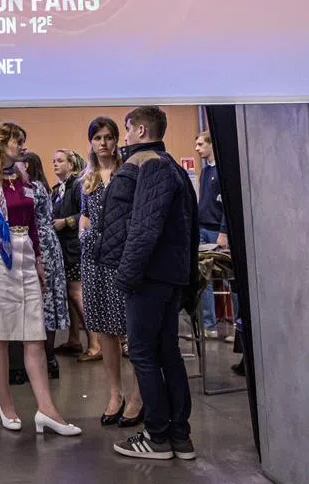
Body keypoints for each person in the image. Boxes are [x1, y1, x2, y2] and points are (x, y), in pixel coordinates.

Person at [0, 122, 81, 436]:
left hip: (25, 254)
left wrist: (40, 261)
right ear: (3, 144)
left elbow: (32, 223)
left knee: (34, 332)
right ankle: (6, 404)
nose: (23, 147)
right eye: (19, 142)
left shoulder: (23, 179)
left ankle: (47, 409)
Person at [105, 106, 198, 461]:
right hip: (164, 275)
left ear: (141, 130)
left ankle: (159, 435)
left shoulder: (152, 165)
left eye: (127, 129)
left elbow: (145, 227)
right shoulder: (168, 165)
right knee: (164, 352)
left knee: (144, 353)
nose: (124, 136)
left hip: (150, 276)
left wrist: (126, 276)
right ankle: (177, 435)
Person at [79, 116, 143, 427]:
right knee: (104, 328)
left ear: (117, 139)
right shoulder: (86, 178)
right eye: (97, 138)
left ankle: (138, 395)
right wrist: (84, 234)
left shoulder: (129, 171)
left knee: (133, 327)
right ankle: (115, 393)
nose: (103, 142)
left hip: (124, 256)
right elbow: (84, 216)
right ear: (90, 142)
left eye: (108, 136)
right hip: (93, 258)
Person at [20, 152, 69, 380]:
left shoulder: (32, 188)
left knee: (44, 304)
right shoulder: (43, 186)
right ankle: (48, 360)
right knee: (47, 303)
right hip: (48, 243)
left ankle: (47, 359)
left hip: (40, 247)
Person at [50, 149, 87, 356]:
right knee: (70, 294)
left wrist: (66, 222)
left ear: (71, 164)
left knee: (76, 293)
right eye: (53, 161)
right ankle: (74, 339)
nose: (55, 164)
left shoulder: (78, 185)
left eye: (60, 161)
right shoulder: (58, 189)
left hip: (75, 247)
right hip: (64, 248)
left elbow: (86, 212)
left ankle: (95, 342)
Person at [194, 131, 227, 339]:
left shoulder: (223, 171)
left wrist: (223, 232)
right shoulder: (205, 172)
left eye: (200, 144)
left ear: (211, 145)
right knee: (202, 278)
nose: (197, 148)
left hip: (217, 231)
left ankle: (240, 333)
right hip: (202, 229)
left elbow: (227, 206)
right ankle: (209, 325)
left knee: (229, 278)